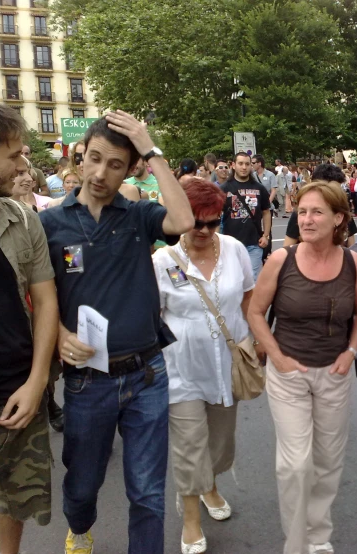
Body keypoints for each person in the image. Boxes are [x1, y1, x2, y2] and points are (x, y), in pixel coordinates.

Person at [39, 112, 194, 554]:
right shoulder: (50, 225)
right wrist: (57, 336)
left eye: (115, 164)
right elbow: (34, 298)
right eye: (95, 159)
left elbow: (183, 221)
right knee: (83, 484)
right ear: (79, 158)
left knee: (147, 492)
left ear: (131, 170)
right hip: (87, 379)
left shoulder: (139, 216)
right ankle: (80, 526)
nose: (102, 173)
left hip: (146, 373)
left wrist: (151, 147)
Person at [247, 181, 357, 554]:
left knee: (328, 460)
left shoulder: (354, 263)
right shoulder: (283, 260)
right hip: (289, 374)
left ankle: (319, 535)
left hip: (334, 373)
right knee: (296, 465)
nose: (307, 219)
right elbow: (254, 311)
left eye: (316, 212)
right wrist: (278, 358)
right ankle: (296, 544)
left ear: (338, 219)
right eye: (302, 212)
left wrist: (351, 351)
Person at [152, 178, 256, 554]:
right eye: (197, 221)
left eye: (214, 222)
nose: (206, 231)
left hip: (228, 365)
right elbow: (153, 316)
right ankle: (191, 519)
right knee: (189, 446)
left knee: (221, 442)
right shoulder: (162, 261)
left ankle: (209, 483)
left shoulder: (232, 249)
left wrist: (255, 340)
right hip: (182, 368)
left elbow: (247, 295)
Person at [0, 104, 59, 554]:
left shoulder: (23, 220)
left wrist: (37, 382)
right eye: (14, 154)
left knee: (14, 502)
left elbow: (46, 302)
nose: (24, 165)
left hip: (16, 392)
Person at [220, 152, 271, 281]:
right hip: (231, 245)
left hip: (254, 244)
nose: (244, 167)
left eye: (247, 164)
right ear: (233, 165)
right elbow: (215, 216)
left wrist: (266, 235)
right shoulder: (224, 188)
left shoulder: (259, 189)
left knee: (251, 280)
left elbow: (266, 212)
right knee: (233, 281)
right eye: (240, 163)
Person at [284, 164, 357, 247]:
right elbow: (287, 248)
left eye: (338, 188)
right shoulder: (300, 214)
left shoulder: (342, 210)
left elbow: (352, 246)